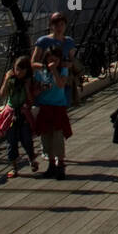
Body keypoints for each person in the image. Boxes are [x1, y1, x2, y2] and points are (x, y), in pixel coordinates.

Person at [32, 45, 72, 178]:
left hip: (58, 107)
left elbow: (61, 84)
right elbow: (35, 91)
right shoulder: (40, 72)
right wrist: (41, 89)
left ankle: (60, 164)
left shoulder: (63, 70)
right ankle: (50, 164)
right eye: (50, 58)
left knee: (58, 137)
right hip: (45, 106)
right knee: (46, 137)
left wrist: (54, 70)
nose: (52, 60)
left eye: (55, 58)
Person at [0, 55, 39, 178]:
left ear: (27, 70)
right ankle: (14, 167)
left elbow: (31, 101)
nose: (18, 72)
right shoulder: (11, 81)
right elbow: (2, 94)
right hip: (11, 114)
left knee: (27, 139)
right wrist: (6, 79)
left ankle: (32, 159)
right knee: (11, 141)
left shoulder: (29, 82)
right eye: (17, 69)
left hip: (23, 113)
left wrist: (27, 88)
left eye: (21, 70)